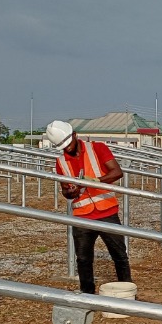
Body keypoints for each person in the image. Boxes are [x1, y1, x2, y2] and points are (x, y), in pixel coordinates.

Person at [44, 120, 132, 294]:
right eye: (62, 146)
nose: (67, 148)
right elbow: (65, 191)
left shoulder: (97, 149)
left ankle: (127, 291)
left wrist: (95, 181)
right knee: (83, 259)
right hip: (82, 215)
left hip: (107, 211)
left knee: (119, 254)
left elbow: (116, 172)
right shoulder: (61, 162)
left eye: (68, 144)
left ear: (75, 135)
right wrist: (71, 191)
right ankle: (87, 294)